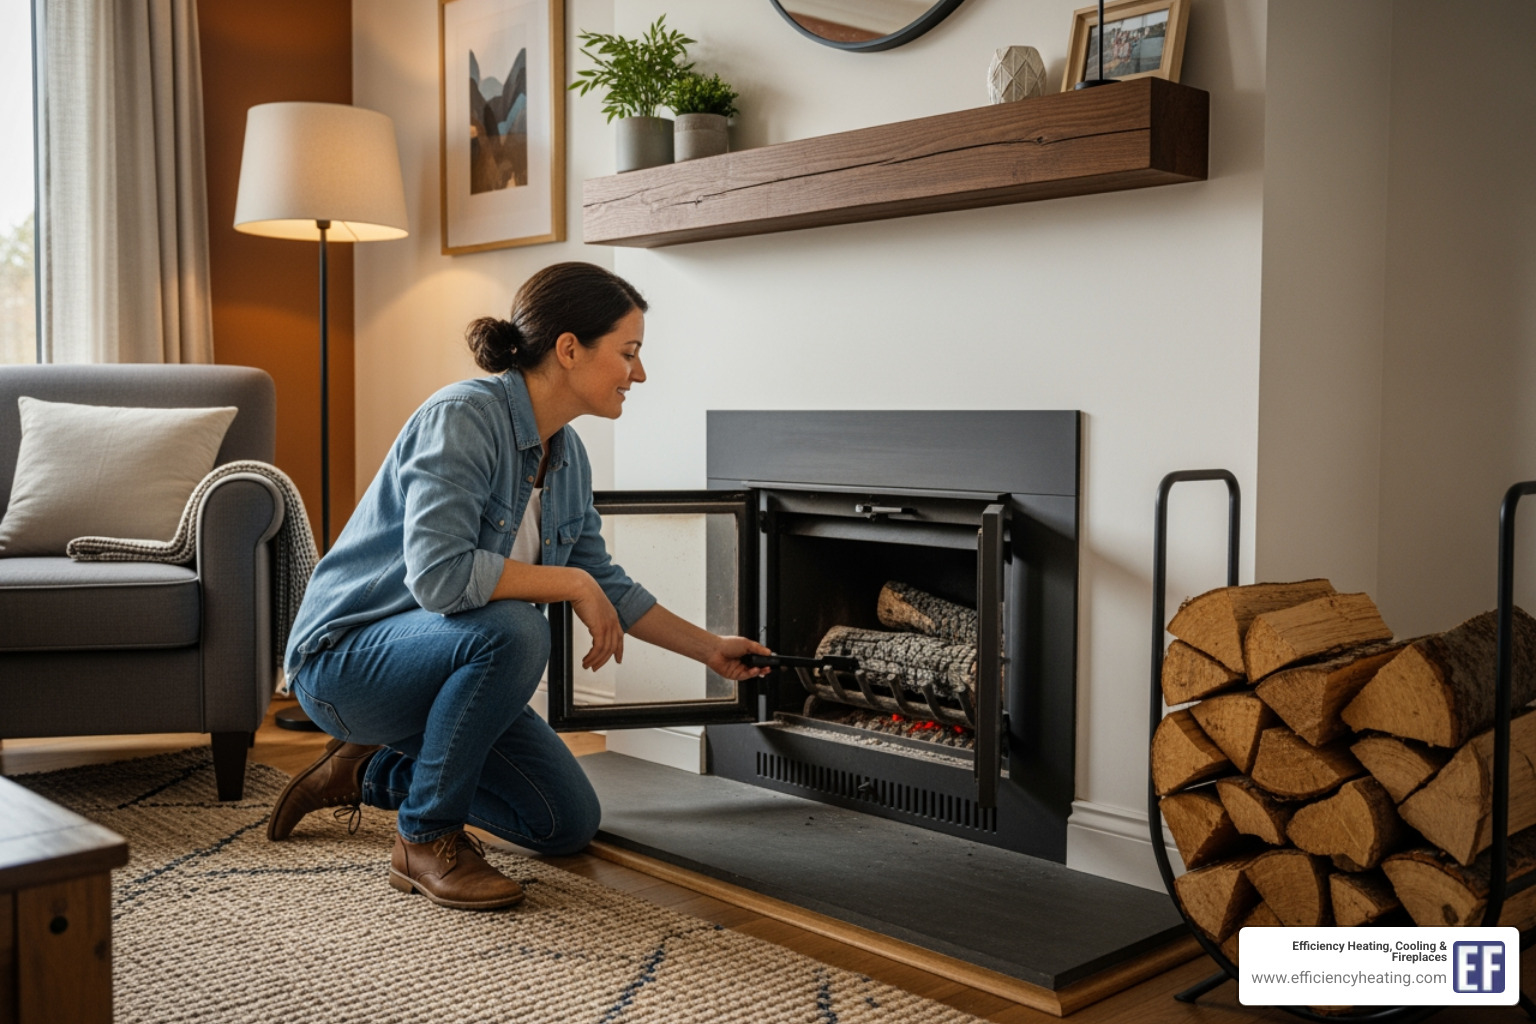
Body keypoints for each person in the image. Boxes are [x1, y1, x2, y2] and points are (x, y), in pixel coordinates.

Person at [269, 261, 771, 911]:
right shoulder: (463, 418)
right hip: (345, 665)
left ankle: (374, 768)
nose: (639, 373)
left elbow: (606, 582)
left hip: (437, 673)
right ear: (569, 349)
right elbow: (440, 577)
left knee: (561, 823)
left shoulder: (566, 454)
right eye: (628, 352)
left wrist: (709, 650)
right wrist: (568, 582)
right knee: (516, 628)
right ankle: (424, 838)